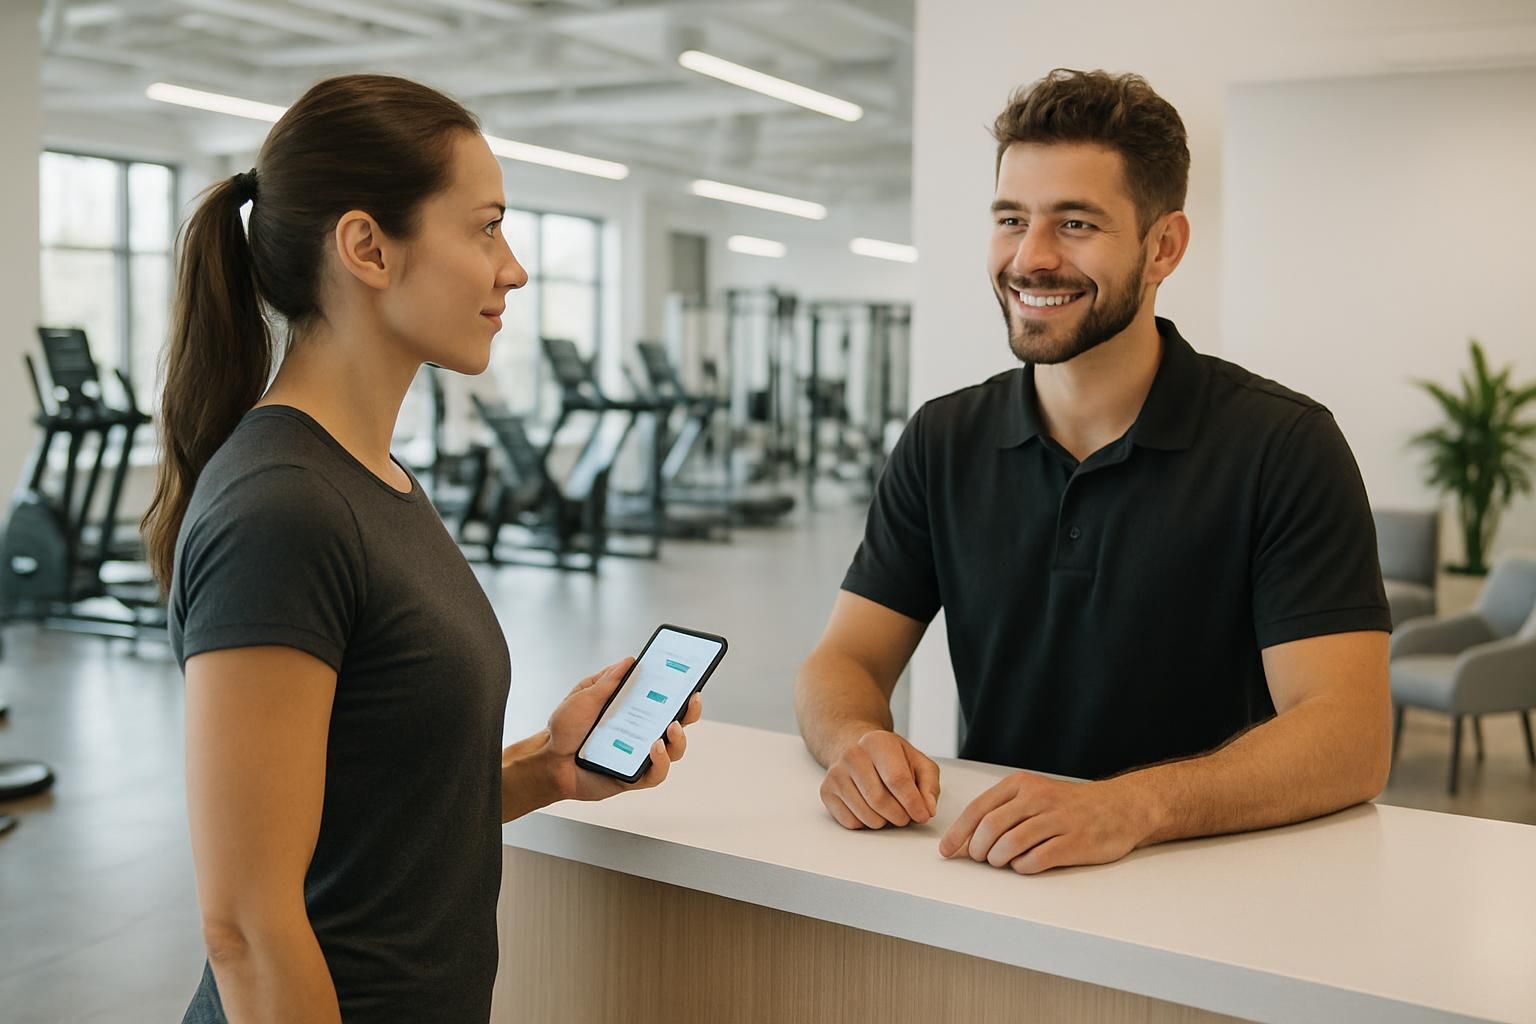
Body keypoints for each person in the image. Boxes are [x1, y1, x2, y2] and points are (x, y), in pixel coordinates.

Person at [142, 74, 700, 1024]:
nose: (512, 268)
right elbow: (245, 925)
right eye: (485, 228)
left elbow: (376, 823)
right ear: (366, 247)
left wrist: (545, 768)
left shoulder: (376, 479)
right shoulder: (281, 509)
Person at [794, 69, 1393, 876]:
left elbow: (1348, 735)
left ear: (1164, 246)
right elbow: (845, 660)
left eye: (1076, 223)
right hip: (1000, 871)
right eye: (1012, 219)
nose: (1031, 258)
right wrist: (856, 743)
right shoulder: (944, 439)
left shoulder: (1283, 445)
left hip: (1217, 883)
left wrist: (1132, 807)